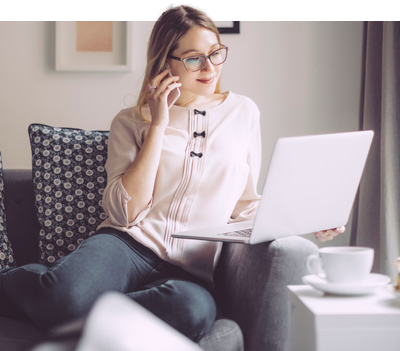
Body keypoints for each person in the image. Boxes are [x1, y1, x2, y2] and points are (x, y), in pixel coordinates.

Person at [0, 5, 345, 342]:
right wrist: (159, 124)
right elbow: (125, 212)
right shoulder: (131, 121)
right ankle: (23, 287)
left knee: (193, 309)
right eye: (194, 58)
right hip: (124, 246)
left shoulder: (243, 113)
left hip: (190, 269)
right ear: (165, 62)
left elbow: (245, 204)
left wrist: (306, 219)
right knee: (62, 297)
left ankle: (72, 311)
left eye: (216, 53)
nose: (209, 67)